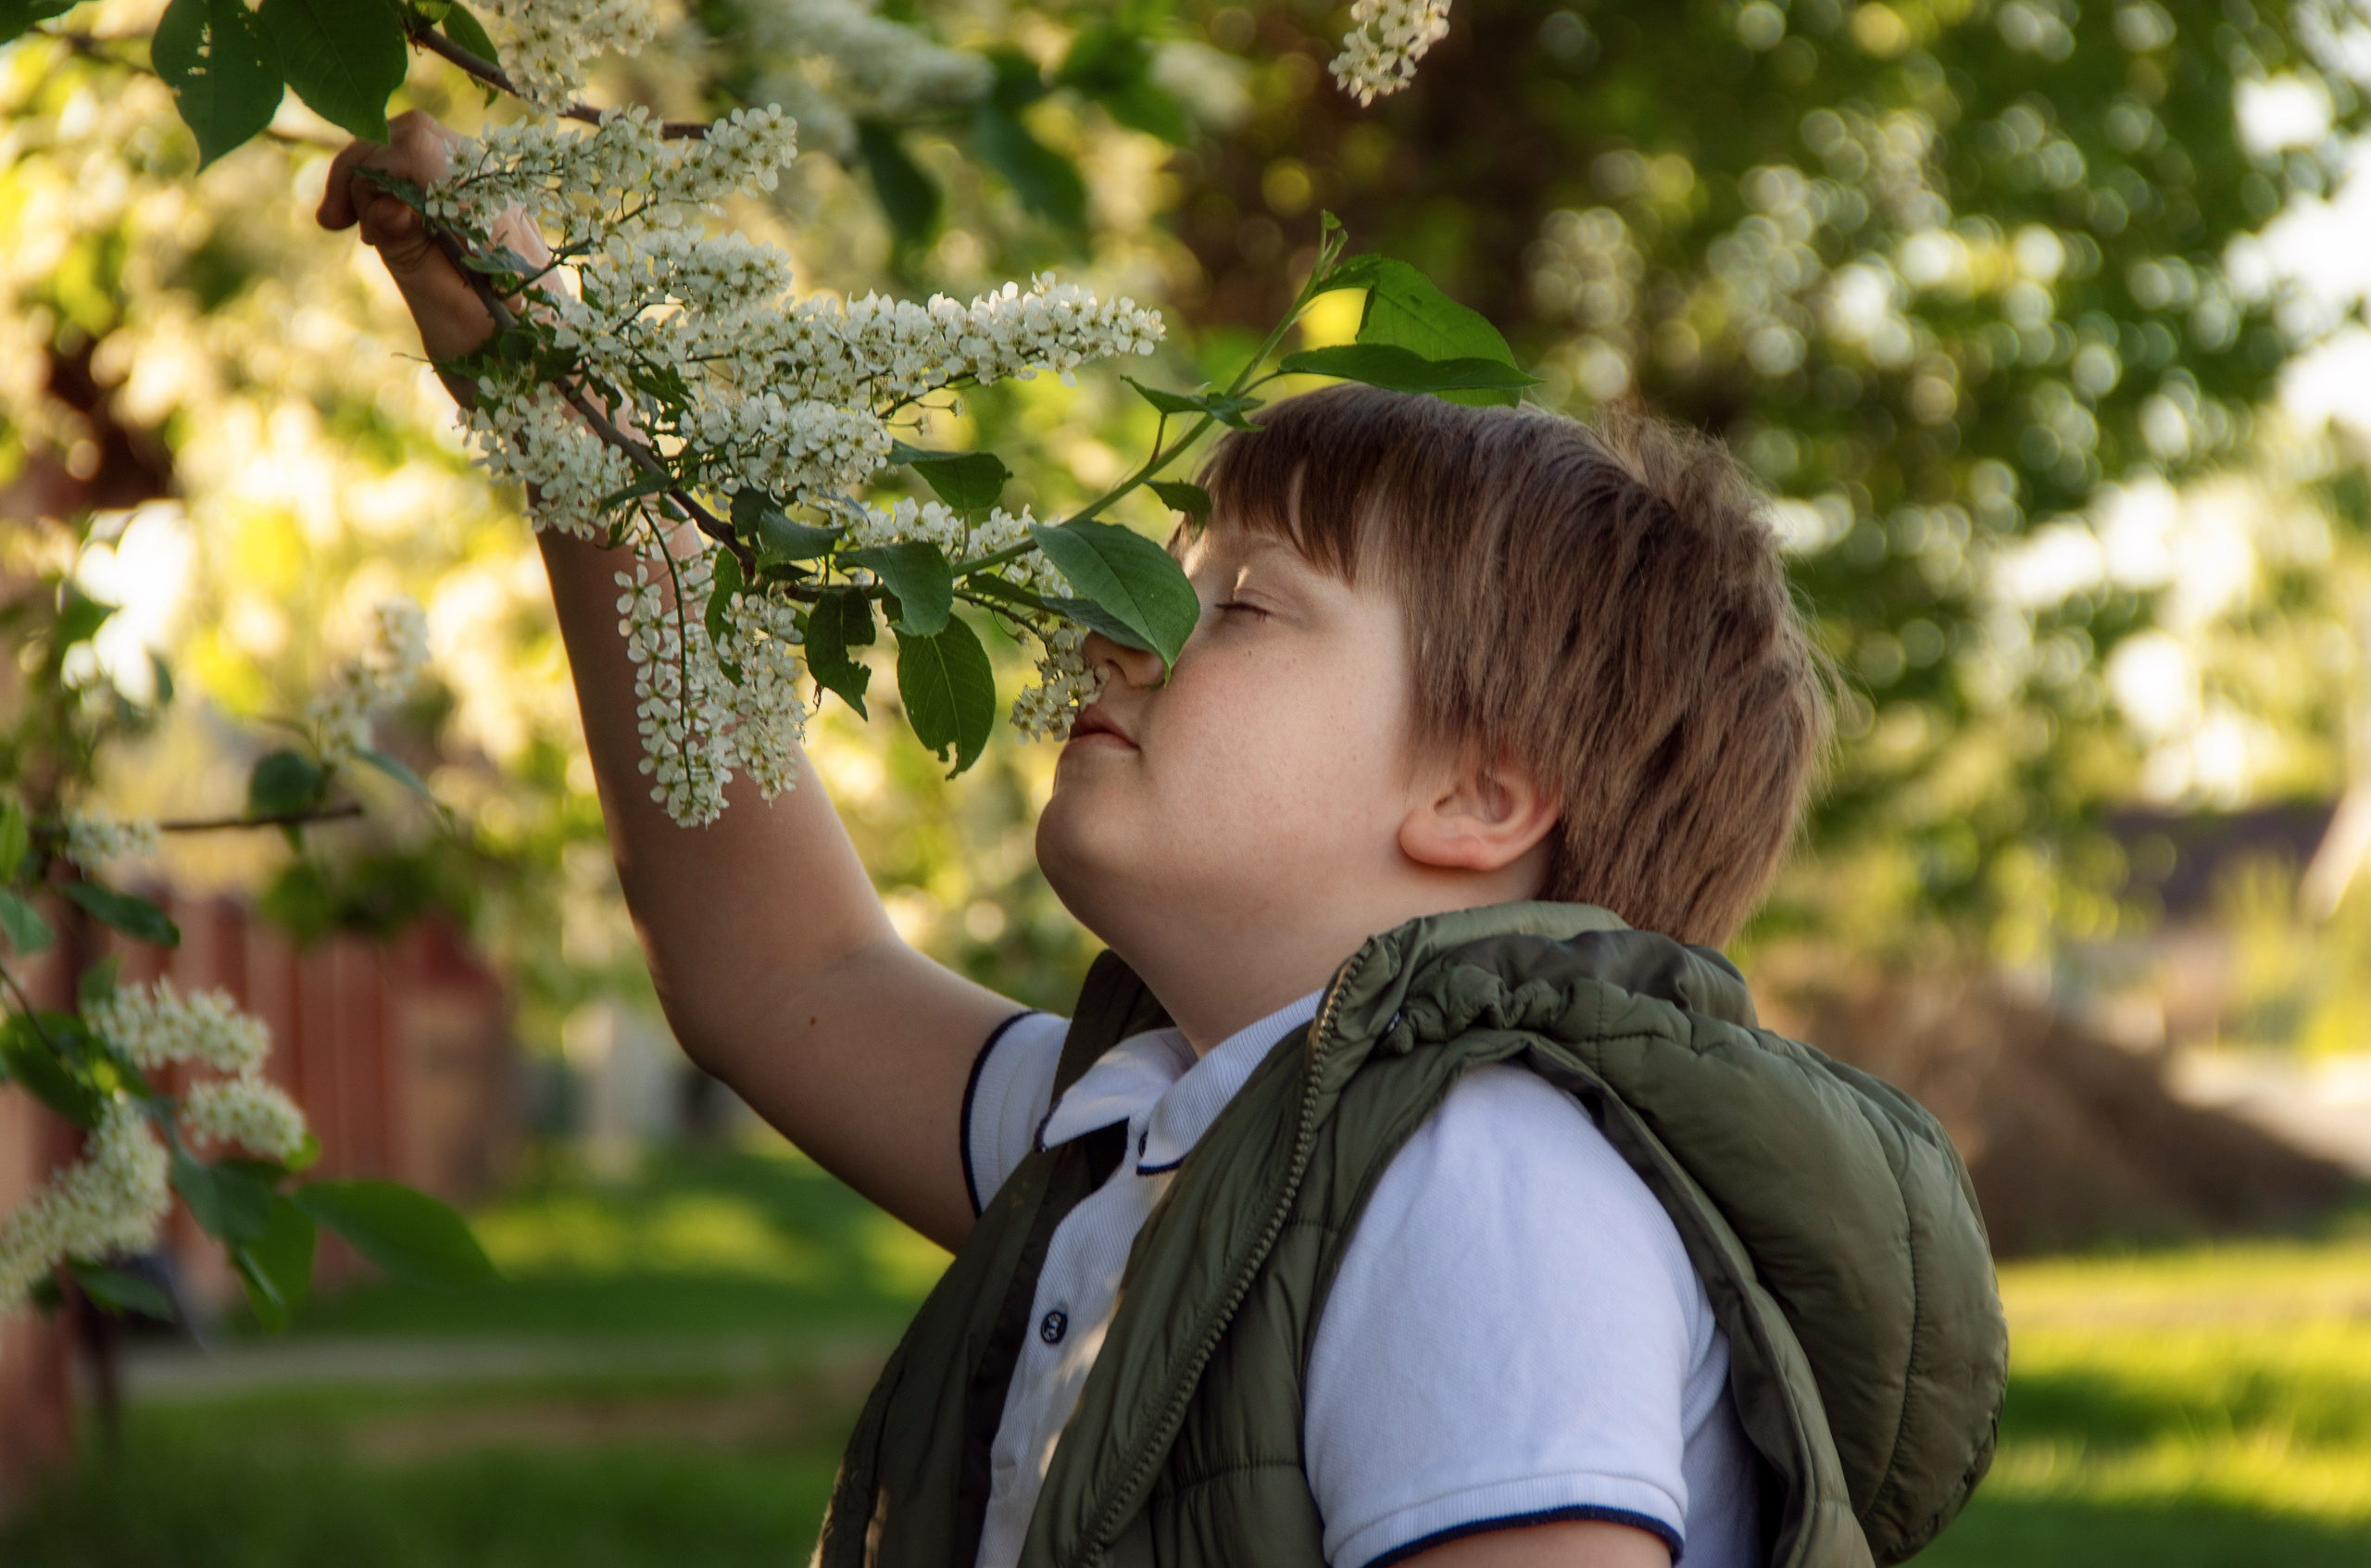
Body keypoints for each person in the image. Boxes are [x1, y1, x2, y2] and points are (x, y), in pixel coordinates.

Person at [320, 113, 2007, 1568]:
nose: (1109, 629)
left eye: (1243, 605)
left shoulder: (1484, 1181)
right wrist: (558, 398)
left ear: (1481, 800)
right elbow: (786, 967)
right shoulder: (1144, 1121)